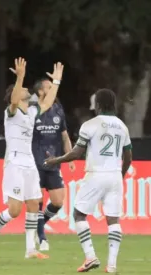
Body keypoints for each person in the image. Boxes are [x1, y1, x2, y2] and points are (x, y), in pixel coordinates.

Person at [0, 58, 63, 259]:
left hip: (29, 162)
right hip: (15, 162)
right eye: (23, 88)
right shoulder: (11, 112)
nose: (27, 89)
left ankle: (30, 250)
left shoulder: (32, 111)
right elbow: (15, 99)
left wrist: (58, 81)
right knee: (15, 210)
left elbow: (47, 102)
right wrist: (19, 77)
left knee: (34, 202)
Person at [44, 88, 131, 273]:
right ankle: (112, 265)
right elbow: (128, 156)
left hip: (96, 174)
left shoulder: (90, 125)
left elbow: (77, 152)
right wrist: (120, 176)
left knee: (79, 214)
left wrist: (55, 160)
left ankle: (90, 256)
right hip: (115, 175)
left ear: (98, 105)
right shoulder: (122, 126)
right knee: (113, 220)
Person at [31, 78, 75, 251]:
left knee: (57, 201)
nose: (53, 90)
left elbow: (64, 136)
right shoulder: (33, 111)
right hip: (35, 163)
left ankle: (38, 225)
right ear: (41, 92)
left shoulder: (57, 109)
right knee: (38, 200)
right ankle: (42, 237)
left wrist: (69, 157)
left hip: (54, 162)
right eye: (49, 87)